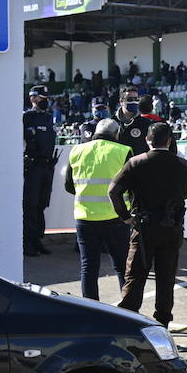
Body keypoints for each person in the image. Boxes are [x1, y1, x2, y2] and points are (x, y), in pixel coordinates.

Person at [112, 122, 187, 329]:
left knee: (135, 275)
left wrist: (125, 216)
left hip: (144, 227)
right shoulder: (182, 165)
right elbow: (186, 192)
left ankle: (129, 321)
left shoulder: (136, 162)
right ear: (169, 141)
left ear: (147, 140)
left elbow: (114, 191)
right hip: (172, 227)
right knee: (166, 277)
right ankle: (162, 322)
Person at [63, 118, 132, 301]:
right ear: (117, 134)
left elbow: (69, 186)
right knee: (122, 267)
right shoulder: (123, 151)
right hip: (116, 218)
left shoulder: (76, 150)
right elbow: (132, 186)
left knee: (88, 267)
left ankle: (91, 308)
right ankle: (128, 308)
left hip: (84, 217)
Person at [22, 85, 60, 256]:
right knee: (30, 204)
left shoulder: (48, 117)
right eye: (41, 98)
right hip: (33, 165)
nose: (45, 101)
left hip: (47, 166)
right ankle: (28, 242)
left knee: (41, 205)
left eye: (46, 98)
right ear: (33, 98)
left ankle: (37, 239)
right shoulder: (27, 117)